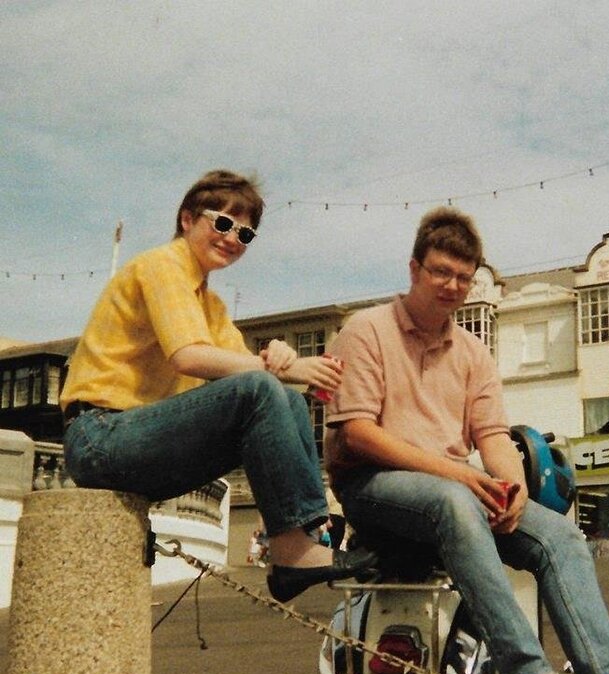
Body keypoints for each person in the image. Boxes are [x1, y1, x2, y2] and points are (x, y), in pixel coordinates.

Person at [324, 206, 609, 674]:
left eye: (463, 278)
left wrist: (510, 486)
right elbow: (357, 433)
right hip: (373, 486)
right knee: (452, 502)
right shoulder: (366, 330)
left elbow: (492, 435)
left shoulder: (473, 351)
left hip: (452, 491)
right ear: (413, 269)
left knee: (559, 534)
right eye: (440, 273)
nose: (451, 286)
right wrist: (458, 476)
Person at [60, 169, 376, 603]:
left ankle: (307, 539)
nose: (232, 238)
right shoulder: (162, 265)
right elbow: (189, 357)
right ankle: (289, 552)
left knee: (284, 399)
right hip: (100, 436)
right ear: (188, 219)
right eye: (223, 223)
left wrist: (281, 362)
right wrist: (279, 369)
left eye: (245, 233)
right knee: (266, 390)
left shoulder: (210, 304)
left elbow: (256, 377)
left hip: (143, 441)